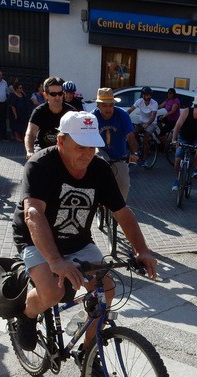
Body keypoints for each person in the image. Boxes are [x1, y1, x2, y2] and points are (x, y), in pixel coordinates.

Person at [10, 111, 158, 356]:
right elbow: (33, 214)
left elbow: (122, 212)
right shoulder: (40, 165)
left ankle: (89, 354)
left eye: (92, 147)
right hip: (36, 239)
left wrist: (141, 250)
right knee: (53, 292)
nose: (88, 154)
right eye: (81, 147)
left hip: (77, 240)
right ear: (61, 141)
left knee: (106, 290)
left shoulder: (99, 169)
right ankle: (27, 314)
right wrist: (56, 261)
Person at [93, 87, 139, 200]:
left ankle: (119, 208)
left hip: (118, 156)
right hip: (100, 154)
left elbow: (130, 136)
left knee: (123, 185)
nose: (108, 109)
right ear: (98, 106)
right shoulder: (92, 117)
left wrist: (134, 153)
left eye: (111, 105)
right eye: (104, 106)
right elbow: (87, 139)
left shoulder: (122, 115)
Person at [25, 76, 74, 161]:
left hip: (64, 151)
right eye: (53, 94)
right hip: (42, 151)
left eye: (60, 93)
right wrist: (29, 151)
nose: (57, 97)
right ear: (46, 95)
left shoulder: (71, 112)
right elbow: (30, 133)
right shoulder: (39, 111)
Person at [170, 94, 197, 191]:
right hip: (184, 137)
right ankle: (177, 179)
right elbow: (178, 125)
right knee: (177, 160)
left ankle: (196, 170)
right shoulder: (186, 111)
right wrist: (174, 140)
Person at [127, 86, 159, 167]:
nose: (148, 97)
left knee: (145, 138)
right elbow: (130, 110)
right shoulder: (139, 101)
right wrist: (124, 117)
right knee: (133, 134)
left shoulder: (154, 103)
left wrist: (147, 124)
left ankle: (144, 159)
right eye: (146, 95)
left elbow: (153, 116)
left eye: (150, 95)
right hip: (142, 122)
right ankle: (137, 148)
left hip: (151, 123)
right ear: (143, 95)